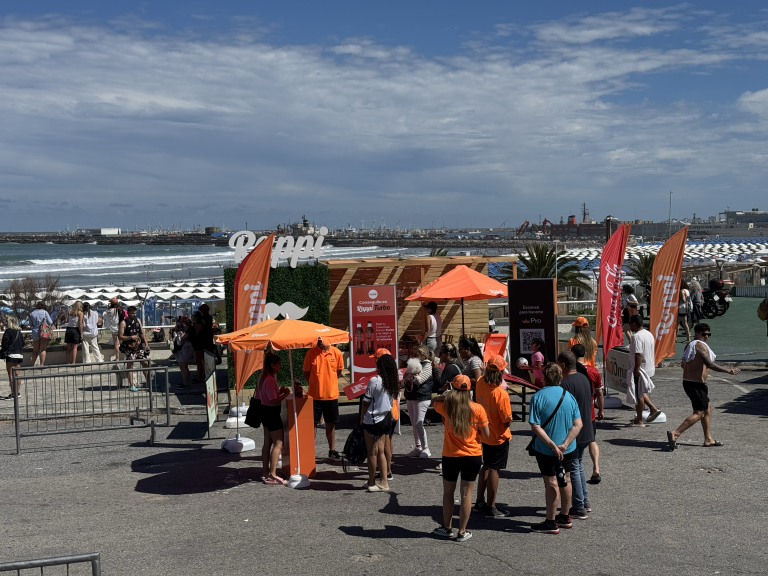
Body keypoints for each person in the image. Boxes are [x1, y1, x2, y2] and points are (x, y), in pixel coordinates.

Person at [432, 375, 489, 542]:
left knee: (448, 493)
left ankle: (447, 527)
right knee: (466, 494)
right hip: (473, 455)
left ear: (453, 390)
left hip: (451, 455)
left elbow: (434, 400)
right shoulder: (478, 408)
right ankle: (462, 531)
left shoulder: (447, 407)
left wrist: (446, 395)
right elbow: (486, 434)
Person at [529, 363, 582, 535]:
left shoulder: (538, 397)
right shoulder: (569, 396)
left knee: (551, 482)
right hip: (567, 448)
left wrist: (552, 445)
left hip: (546, 449)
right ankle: (564, 516)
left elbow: (535, 426)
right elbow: (578, 424)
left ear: (544, 377)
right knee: (565, 479)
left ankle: (550, 521)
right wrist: (565, 444)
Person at [667, 323, 739, 450]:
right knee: (699, 413)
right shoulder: (700, 347)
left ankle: (708, 439)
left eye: (708, 334)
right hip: (696, 385)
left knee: (708, 408)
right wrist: (727, 370)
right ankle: (676, 433)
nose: (707, 337)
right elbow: (709, 364)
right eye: (704, 334)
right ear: (697, 333)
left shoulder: (689, 346)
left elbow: (683, 365)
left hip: (690, 383)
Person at [557, 351, 595, 520]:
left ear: (563, 365)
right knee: (579, 465)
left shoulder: (565, 384)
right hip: (586, 426)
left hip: (573, 429)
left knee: (573, 468)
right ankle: (584, 501)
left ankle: (579, 505)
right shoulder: (583, 378)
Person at [474, 355, 512, 518]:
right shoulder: (501, 394)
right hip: (498, 436)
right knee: (494, 469)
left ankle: (480, 501)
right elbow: (507, 420)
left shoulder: (480, 382)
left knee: (486, 466)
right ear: (501, 372)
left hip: (484, 433)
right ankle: (491, 506)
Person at [360, 353, 399, 492]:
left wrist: (361, 418)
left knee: (371, 453)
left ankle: (371, 482)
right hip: (386, 418)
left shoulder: (374, 380)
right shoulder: (392, 381)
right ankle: (384, 481)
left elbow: (366, 402)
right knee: (381, 451)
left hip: (372, 419)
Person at [303, 337, 344, 459]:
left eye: (321, 340)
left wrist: (330, 383)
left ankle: (332, 450)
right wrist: (314, 384)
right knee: (313, 424)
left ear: (328, 340)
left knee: (331, 423)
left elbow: (339, 371)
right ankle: (310, 450)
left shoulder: (336, 353)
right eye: (317, 340)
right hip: (315, 395)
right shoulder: (310, 353)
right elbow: (306, 372)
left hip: (331, 395)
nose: (319, 342)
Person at [571, 343, 604, 487]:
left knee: (575, 446)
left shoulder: (571, 372)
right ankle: (596, 467)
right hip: (590, 410)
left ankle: (576, 467)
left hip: (576, 411)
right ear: (585, 354)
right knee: (592, 440)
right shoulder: (593, 371)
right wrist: (601, 409)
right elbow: (599, 392)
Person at [257, 353, 291, 484]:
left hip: (264, 411)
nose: (280, 367)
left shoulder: (262, 377)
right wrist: (285, 394)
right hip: (271, 413)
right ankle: (272, 474)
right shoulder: (270, 379)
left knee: (267, 443)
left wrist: (280, 393)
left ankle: (265, 471)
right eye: (279, 364)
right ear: (272, 365)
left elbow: (266, 396)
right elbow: (273, 401)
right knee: (278, 443)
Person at [626, 314, 661, 427]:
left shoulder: (636, 337)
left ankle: (641, 419)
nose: (629, 325)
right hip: (649, 367)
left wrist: (636, 369)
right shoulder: (649, 334)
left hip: (641, 368)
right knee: (642, 391)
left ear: (635, 323)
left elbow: (639, 354)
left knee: (638, 394)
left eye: (630, 323)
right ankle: (651, 410)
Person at [404, 345, 434, 459]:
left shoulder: (427, 365)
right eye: (414, 354)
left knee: (418, 423)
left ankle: (426, 449)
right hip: (411, 396)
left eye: (417, 354)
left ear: (423, 355)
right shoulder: (413, 365)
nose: (414, 356)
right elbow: (403, 381)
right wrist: (406, 376)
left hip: (422, 397)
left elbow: (419, 381)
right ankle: (418, 447)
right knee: (413, 423)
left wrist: (412, 374)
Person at [118, 306, 150, 391]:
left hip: (138, 346)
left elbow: (142, 333)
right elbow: (120, 336)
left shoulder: (138, 321)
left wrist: (146, 344)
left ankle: (149, 382)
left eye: (135, 313)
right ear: (127, 313)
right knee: (130, 365)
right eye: (132, 313)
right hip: (129, 347)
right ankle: (131, 385)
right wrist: (131, 337)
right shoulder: (123, 323)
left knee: (145, 363)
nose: (134, 315)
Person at [1, 316, 25, 399]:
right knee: (17, 374)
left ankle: (13, 393)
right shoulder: (19, 332)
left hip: (11, 355)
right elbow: (23, 343)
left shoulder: (8, 331)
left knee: (11, 375)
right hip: (19, 355)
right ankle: (17, 392)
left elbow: (5, 343)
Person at [28, 302, 53, 367]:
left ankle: (32, 364)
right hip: (44, 332)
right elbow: (50, 322)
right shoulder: (45, 312)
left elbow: (30, 324)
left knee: (35, 350)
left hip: (35, 332)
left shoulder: (32, 313)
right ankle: (41, 364)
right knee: (43, 349)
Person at [174, 316, 195, 389]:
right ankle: (184, 382)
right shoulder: (182, 328)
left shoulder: (187, 329)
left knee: (184, 366)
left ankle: (185, 383)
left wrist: (177, 335)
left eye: (180, 321)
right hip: (182, 348)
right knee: (182, 366)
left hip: (186, 348)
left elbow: (183, 337)